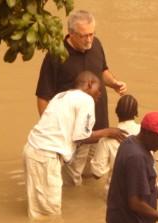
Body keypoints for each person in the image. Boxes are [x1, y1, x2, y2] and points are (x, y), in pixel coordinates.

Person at [35, 9, 127, 186]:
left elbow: (102, 71)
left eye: (92, 34)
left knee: (93, 177)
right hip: (72, 136)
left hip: (99, 129)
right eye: (84, 36)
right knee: (69, 183)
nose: (89, 39)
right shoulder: (55, 55)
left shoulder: (96, 45)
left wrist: (114, 83)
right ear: (71, 33)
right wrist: (51, 131)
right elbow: (43, 96)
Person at [24, 71, 113, 219]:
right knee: (49, 215)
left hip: (33, 150)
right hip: (46, 155)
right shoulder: (86, 99)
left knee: (37, 211)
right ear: (90, 84)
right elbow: (81, 136)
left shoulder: (61, 96)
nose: (100, 95)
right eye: (99, 90)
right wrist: (109, 132)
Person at [90, 94, 158, 194]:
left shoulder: (107, 139)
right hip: (148, 190)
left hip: (116, 193)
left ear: (116, 112)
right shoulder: (149, 134)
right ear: (136, 113)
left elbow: (97, 174)